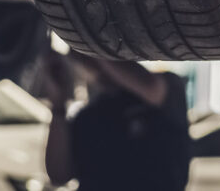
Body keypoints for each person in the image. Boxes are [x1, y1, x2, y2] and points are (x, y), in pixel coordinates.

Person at [42, 50, 191, 191]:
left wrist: (90, 46)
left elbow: (151, 86)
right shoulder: (87, 116)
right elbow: (58, 175)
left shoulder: (167, 88)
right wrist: (58, 106)